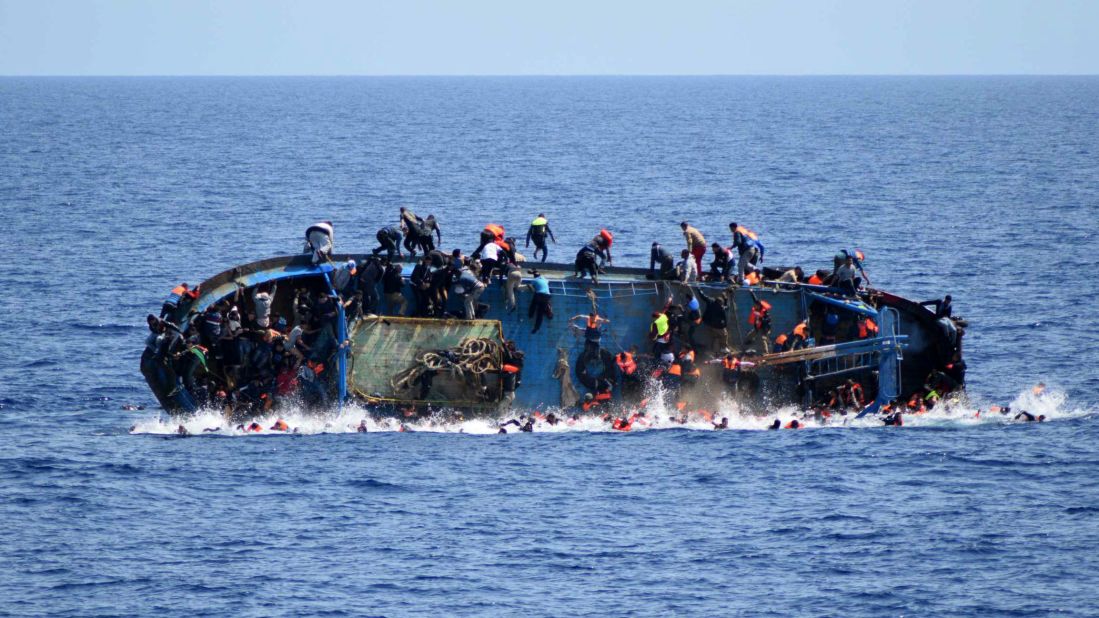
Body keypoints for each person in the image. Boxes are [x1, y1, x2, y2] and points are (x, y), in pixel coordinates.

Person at [696, 288, 730, 352]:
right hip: (718, 325)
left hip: (709, 323)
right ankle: (723, 348)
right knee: (724, 335)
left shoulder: (710, 301)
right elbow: (727, 307)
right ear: (720, 303)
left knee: (716, 337)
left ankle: (715, 350)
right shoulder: (721, 308)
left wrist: (699, 289)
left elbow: (703, 296)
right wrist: (725, 298)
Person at [527, 269, 553, 334]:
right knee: (540, 313)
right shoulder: (545, 279)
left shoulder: (534, 280)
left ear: (534, 276)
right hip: (547, 296)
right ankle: (536, 327)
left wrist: (533, 290)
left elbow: (530, 286)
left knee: (533, 304)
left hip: (539, 295)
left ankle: (531, 315)